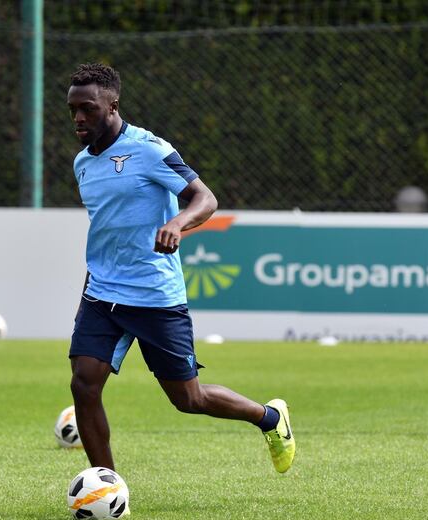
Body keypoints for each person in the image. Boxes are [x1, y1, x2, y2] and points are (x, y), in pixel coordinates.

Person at [66, 63, 295, 473]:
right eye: (73, 110)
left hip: (154, 295)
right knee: (84, 383)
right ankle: (107, 484)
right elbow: (105, 231)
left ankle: (270, 418)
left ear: (113, 105)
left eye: (88, 109)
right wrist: (89, 288)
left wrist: (176, 223)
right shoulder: (83, 163)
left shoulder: (150, 149)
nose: (79, 119)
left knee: (189, 399)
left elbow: (205, 198)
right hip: (101, 294)